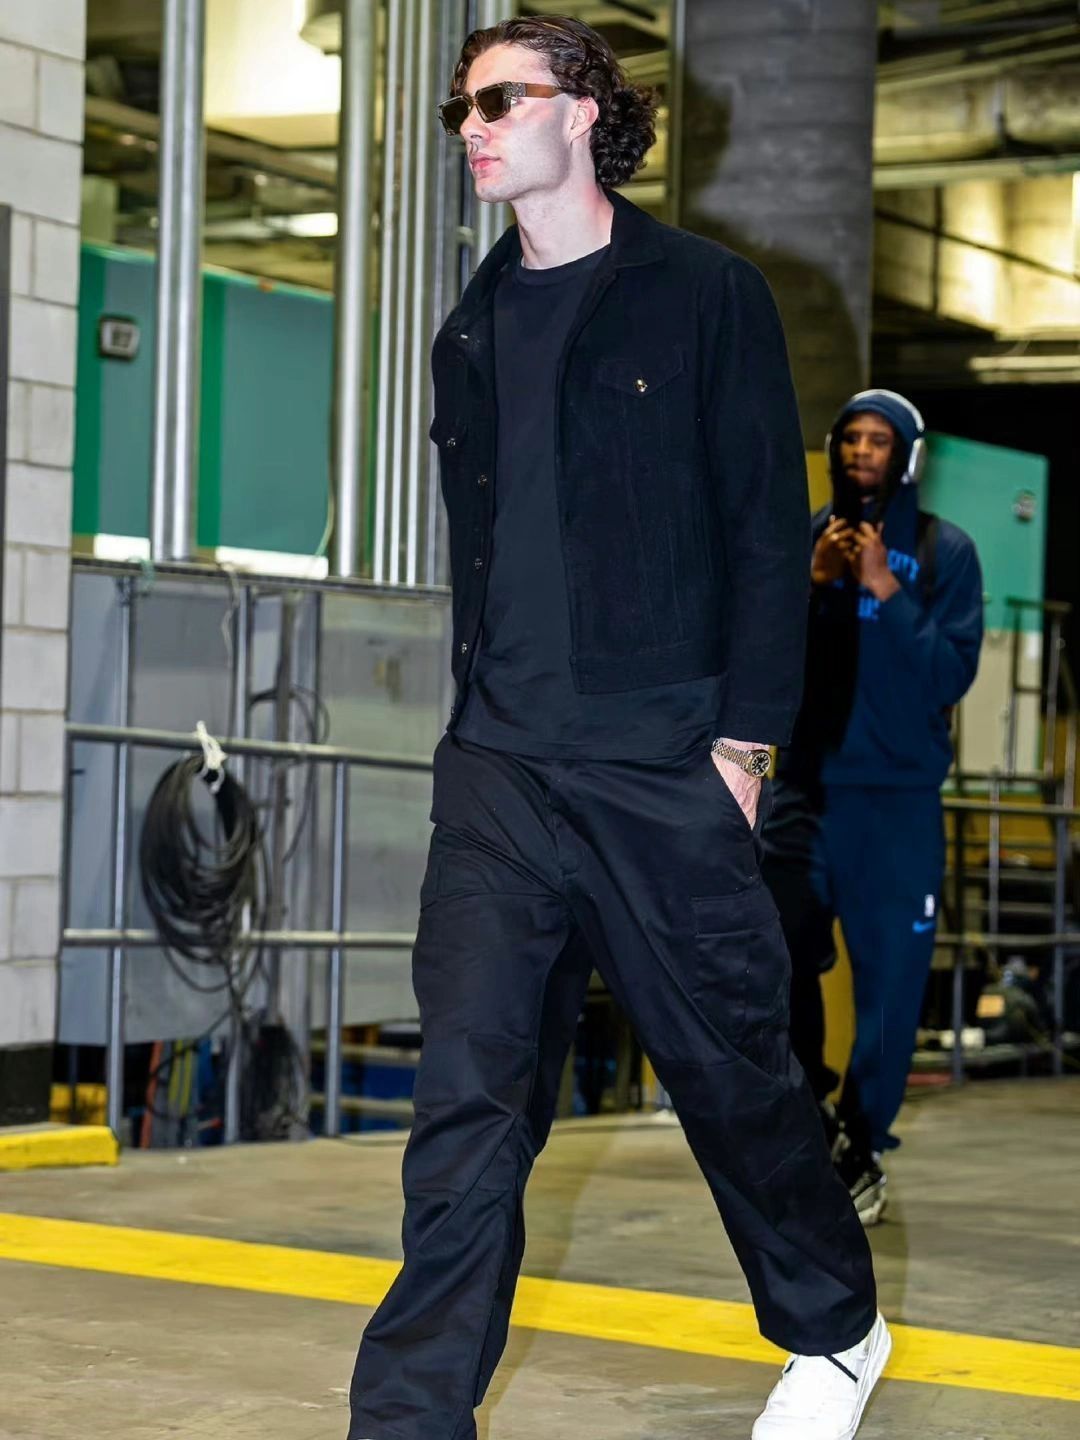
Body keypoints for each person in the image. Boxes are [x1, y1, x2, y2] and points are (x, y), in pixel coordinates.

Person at [348, 17, 889, 1440]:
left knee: (731, 1074)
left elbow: (766, 538)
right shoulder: (469, 332)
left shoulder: (705, 296)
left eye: (499, 99)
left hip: (662, 761)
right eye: (462, 108)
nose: (472, 127)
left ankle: (836, 1331)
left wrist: (745, 751)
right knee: (465, 1106)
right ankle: (409, 1418)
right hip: (499, 769)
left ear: (583, 111)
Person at [762, 389, 983, 1227]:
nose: (862, 451)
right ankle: (810, 1118)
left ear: (907, 455)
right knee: (772, 958)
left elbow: (949, 677)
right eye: (851, 437)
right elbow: (758, 658)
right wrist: (810, 584)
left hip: (897, 808)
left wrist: (886, 589)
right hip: (806, 795)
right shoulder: (807, 540)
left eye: (879, 440)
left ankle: (862, 1142)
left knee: (891, 993)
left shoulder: (945, 552)